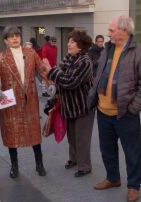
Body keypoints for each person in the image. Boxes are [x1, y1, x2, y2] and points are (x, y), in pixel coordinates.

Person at [88, 16, 141, 202]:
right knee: (106, 149)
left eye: (111, 30)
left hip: (125, 113)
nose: (107, 33)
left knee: (132, 152)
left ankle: (134, 186)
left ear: (123, 31)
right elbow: (99, 74)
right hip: (103, 111)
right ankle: (113, 178)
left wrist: (133, 109)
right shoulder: (107, 49)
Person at [0, 26, 54, 179]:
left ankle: (39, 164)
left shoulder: (31, 53)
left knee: (34, 135)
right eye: (10, 36)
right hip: (9, 100)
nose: (14, 38)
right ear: (5, 40)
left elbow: (42, 69)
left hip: (30, 99)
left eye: (17, 35)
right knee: (12, 135)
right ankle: (14, 166)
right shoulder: (1, 57)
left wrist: (51, 82)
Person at [42, 30, 95, 177]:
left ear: (81, 46)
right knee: (72, 136)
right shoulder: (68, 58)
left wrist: (51, 70)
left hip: (84, 107)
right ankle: (74, 159)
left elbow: (70, 81)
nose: (68, 44)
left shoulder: (85, 62)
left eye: (72, 42)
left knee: (82, 138)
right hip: (69, 107)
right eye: (69, 41)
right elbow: (60, 78)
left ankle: (85, 166)